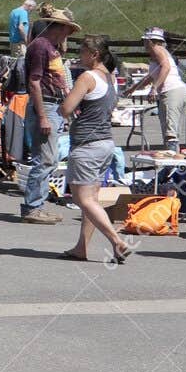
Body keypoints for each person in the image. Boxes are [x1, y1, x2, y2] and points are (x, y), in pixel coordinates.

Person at [58, 35, 133, 263]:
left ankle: (117, 241)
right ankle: (82, 247)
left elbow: (66, 108)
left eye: (81, 51)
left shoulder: (87, 77)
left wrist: (67, 102)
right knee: (92, 200)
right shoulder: (110, 78)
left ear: (94, 55)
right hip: (105, 144)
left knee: (84, 200)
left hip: (86, 146)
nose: (79, 56)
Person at [21, 5, 79, 225]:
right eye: (68, 30)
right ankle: (32, 207)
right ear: (59, 27)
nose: (69, 35)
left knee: (49, 159)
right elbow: (34, 82)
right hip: (44, 105)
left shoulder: (51, 47)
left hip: (53, 106)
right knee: (44, 160)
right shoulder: (40, 47)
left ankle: (38, 205)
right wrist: (43, 115)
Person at [125, 27, 186, 155]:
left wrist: (154, 88)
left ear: (151, 41)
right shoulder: (159, 53)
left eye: (145, 41)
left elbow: (165, 68)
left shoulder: (157, 49)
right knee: (174, 132)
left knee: (170, 134)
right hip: (180, 92)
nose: (144, 44)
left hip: (171, 93)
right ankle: (174, 161)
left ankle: (170, 166)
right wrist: (133, 89)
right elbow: (150, 76)